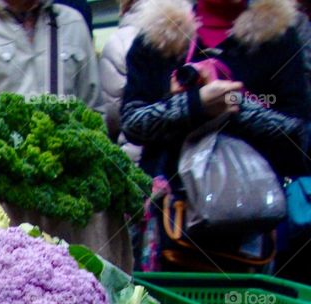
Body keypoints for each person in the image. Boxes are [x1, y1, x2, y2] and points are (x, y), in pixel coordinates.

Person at [121, 0, 309, 269]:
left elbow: (297, 136)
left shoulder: (278, 35)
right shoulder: (160, 32)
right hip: (169, 221)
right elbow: (133, 123)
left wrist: (234, 103)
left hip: (250, 224)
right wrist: (193, 104)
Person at [99, 0, 142, 162]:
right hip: (192, 165)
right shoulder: (191, 29)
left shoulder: (119, 41)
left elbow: (112, 116)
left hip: (140, 164)